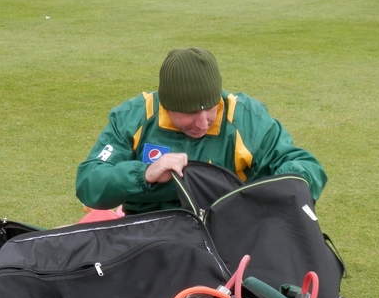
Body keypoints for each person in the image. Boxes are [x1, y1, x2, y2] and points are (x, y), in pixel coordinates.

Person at [75, 48, 328, 215]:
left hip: (226, 231)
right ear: (167, 104)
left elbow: (306, 167)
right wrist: (146, 174)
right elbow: (89, 183)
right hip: (146, 231)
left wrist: (263, 192)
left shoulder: (247, 118)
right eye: (189, 114)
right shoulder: (133, 117)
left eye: (210, 108)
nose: (203, 122)